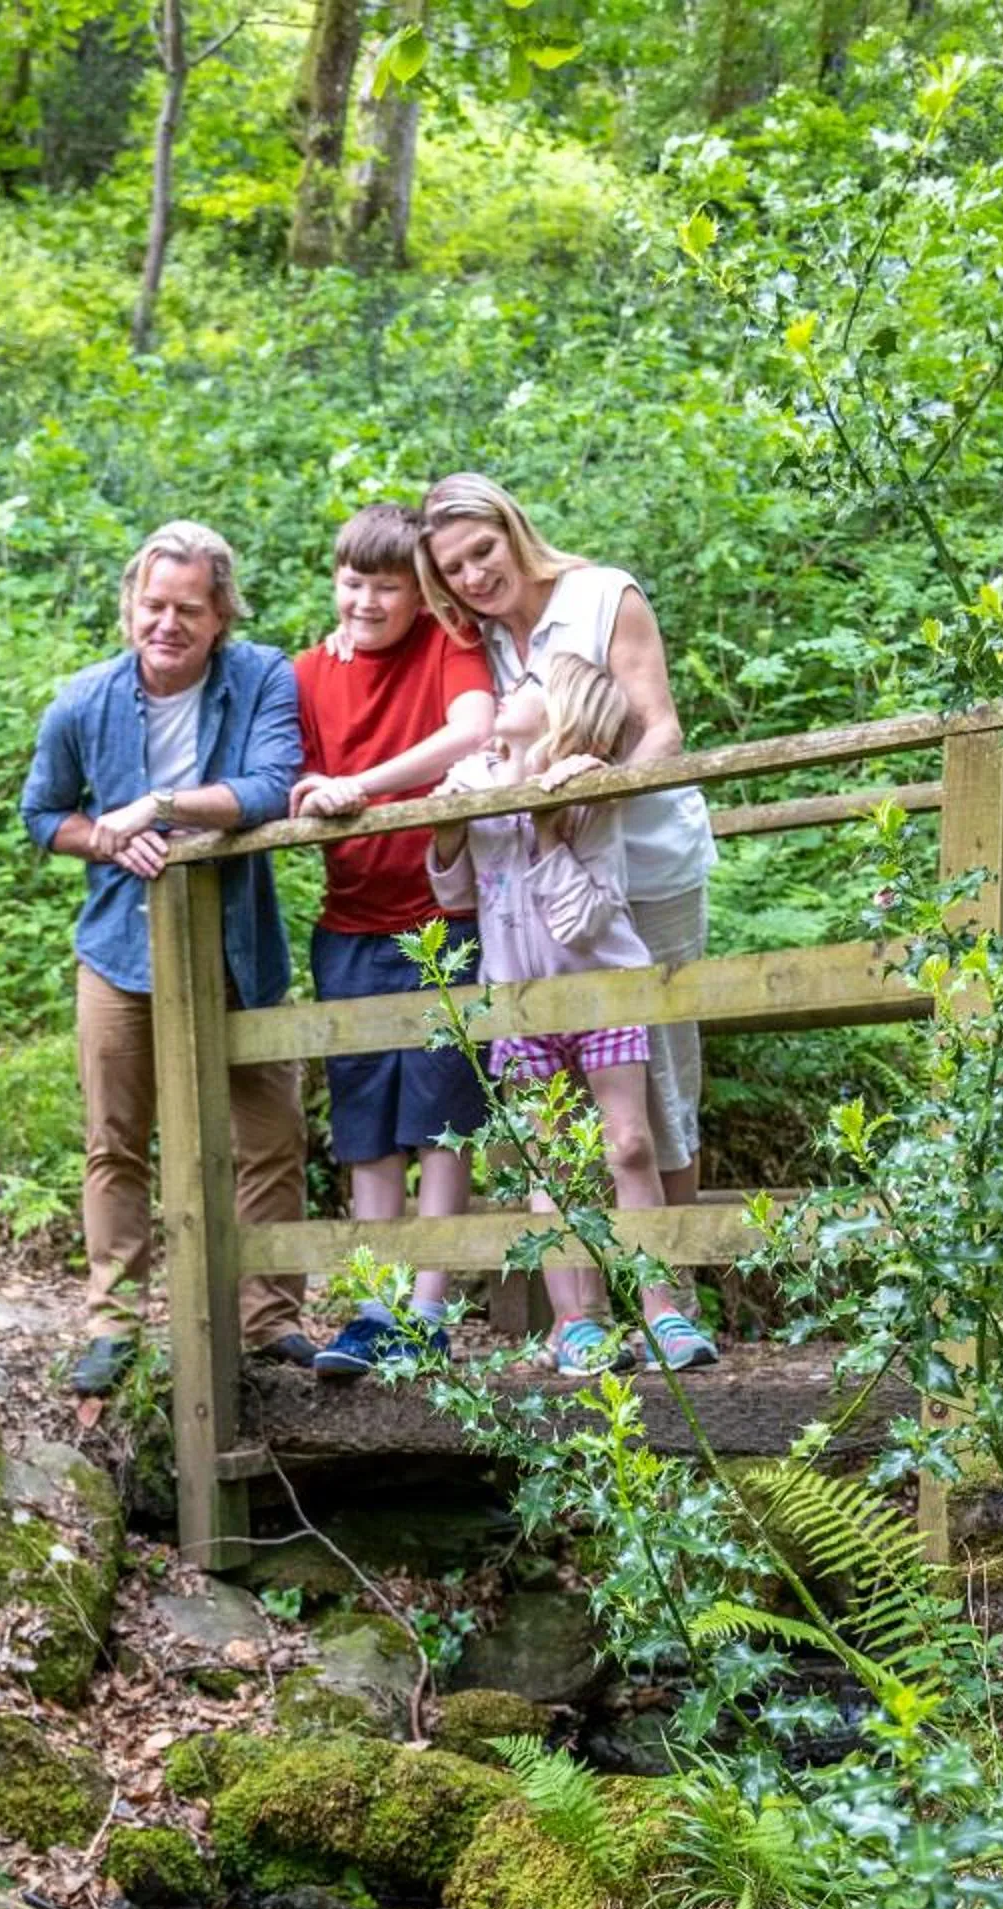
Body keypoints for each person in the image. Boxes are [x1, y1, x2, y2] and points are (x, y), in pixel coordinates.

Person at [20, 519, 313, 1397]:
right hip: (119, 946)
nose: (167, 624)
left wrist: (157, 806)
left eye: (189, 609)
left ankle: (270, 1319)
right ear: (129, 607)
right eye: (153, 605)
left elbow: (270, 787)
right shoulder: (83, 700)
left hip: (239, 944)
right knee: (115, 1139)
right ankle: (113, 1324)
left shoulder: (261, 676)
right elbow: (44, 814)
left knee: (272, 1134)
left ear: (220, 616)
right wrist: (108, 840)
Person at [417, 473, 715, 1212]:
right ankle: (587, 1281)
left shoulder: (603, 596)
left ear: (513, 531)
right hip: (541, 895)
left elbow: (662, 730)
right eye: (454, 568)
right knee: (562, 1109)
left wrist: (592, 797)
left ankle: (677, 1270)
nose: (474, 575)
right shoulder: (479, 642)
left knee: (659, 1086)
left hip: (647, 866)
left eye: (483, 550)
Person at [427, 655, 719, 1377]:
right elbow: (457, 897)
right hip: (519, 1002)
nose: (507, 691)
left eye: (527, 686)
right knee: (553, 1160)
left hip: (602, 989)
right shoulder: (473, 781)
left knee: (630, 1146)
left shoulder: (590, 793)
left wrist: (550, 829)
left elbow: (585, 917)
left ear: (562, 713)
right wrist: (449, 829)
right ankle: (575, 1323)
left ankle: (662, 1312)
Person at [289, 501, 496, 1381]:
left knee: (442, 1122)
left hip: (444, 916)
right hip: (350, 923)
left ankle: (428, 1313)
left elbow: (473, 730)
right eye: (352, 584)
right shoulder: (308, 671)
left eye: (386, 587)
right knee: (365, 1127)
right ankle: (376, 1310)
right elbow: (287, 771)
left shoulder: (448, 644)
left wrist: (360, 786)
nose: (366, 603)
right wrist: (316, 787)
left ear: (420, 593)